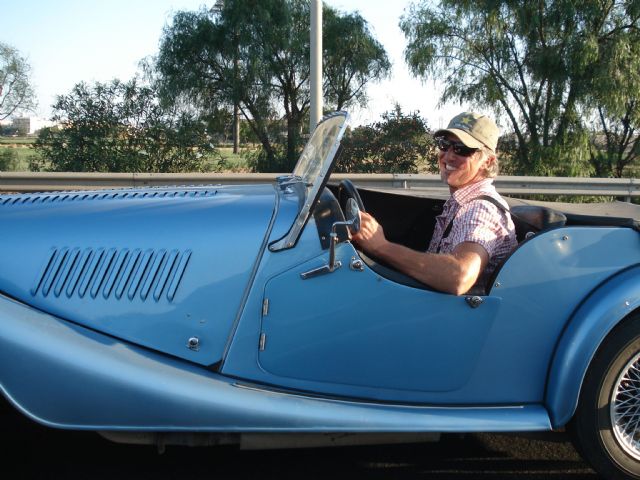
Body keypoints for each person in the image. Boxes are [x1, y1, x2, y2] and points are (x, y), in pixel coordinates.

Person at [351, 112, 517, 295]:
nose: (448, 156)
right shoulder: (460, 202)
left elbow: (459, 277)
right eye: (444, 145)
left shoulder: (480, 209)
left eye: (462, 149)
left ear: (487, 161)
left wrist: (381, 247)